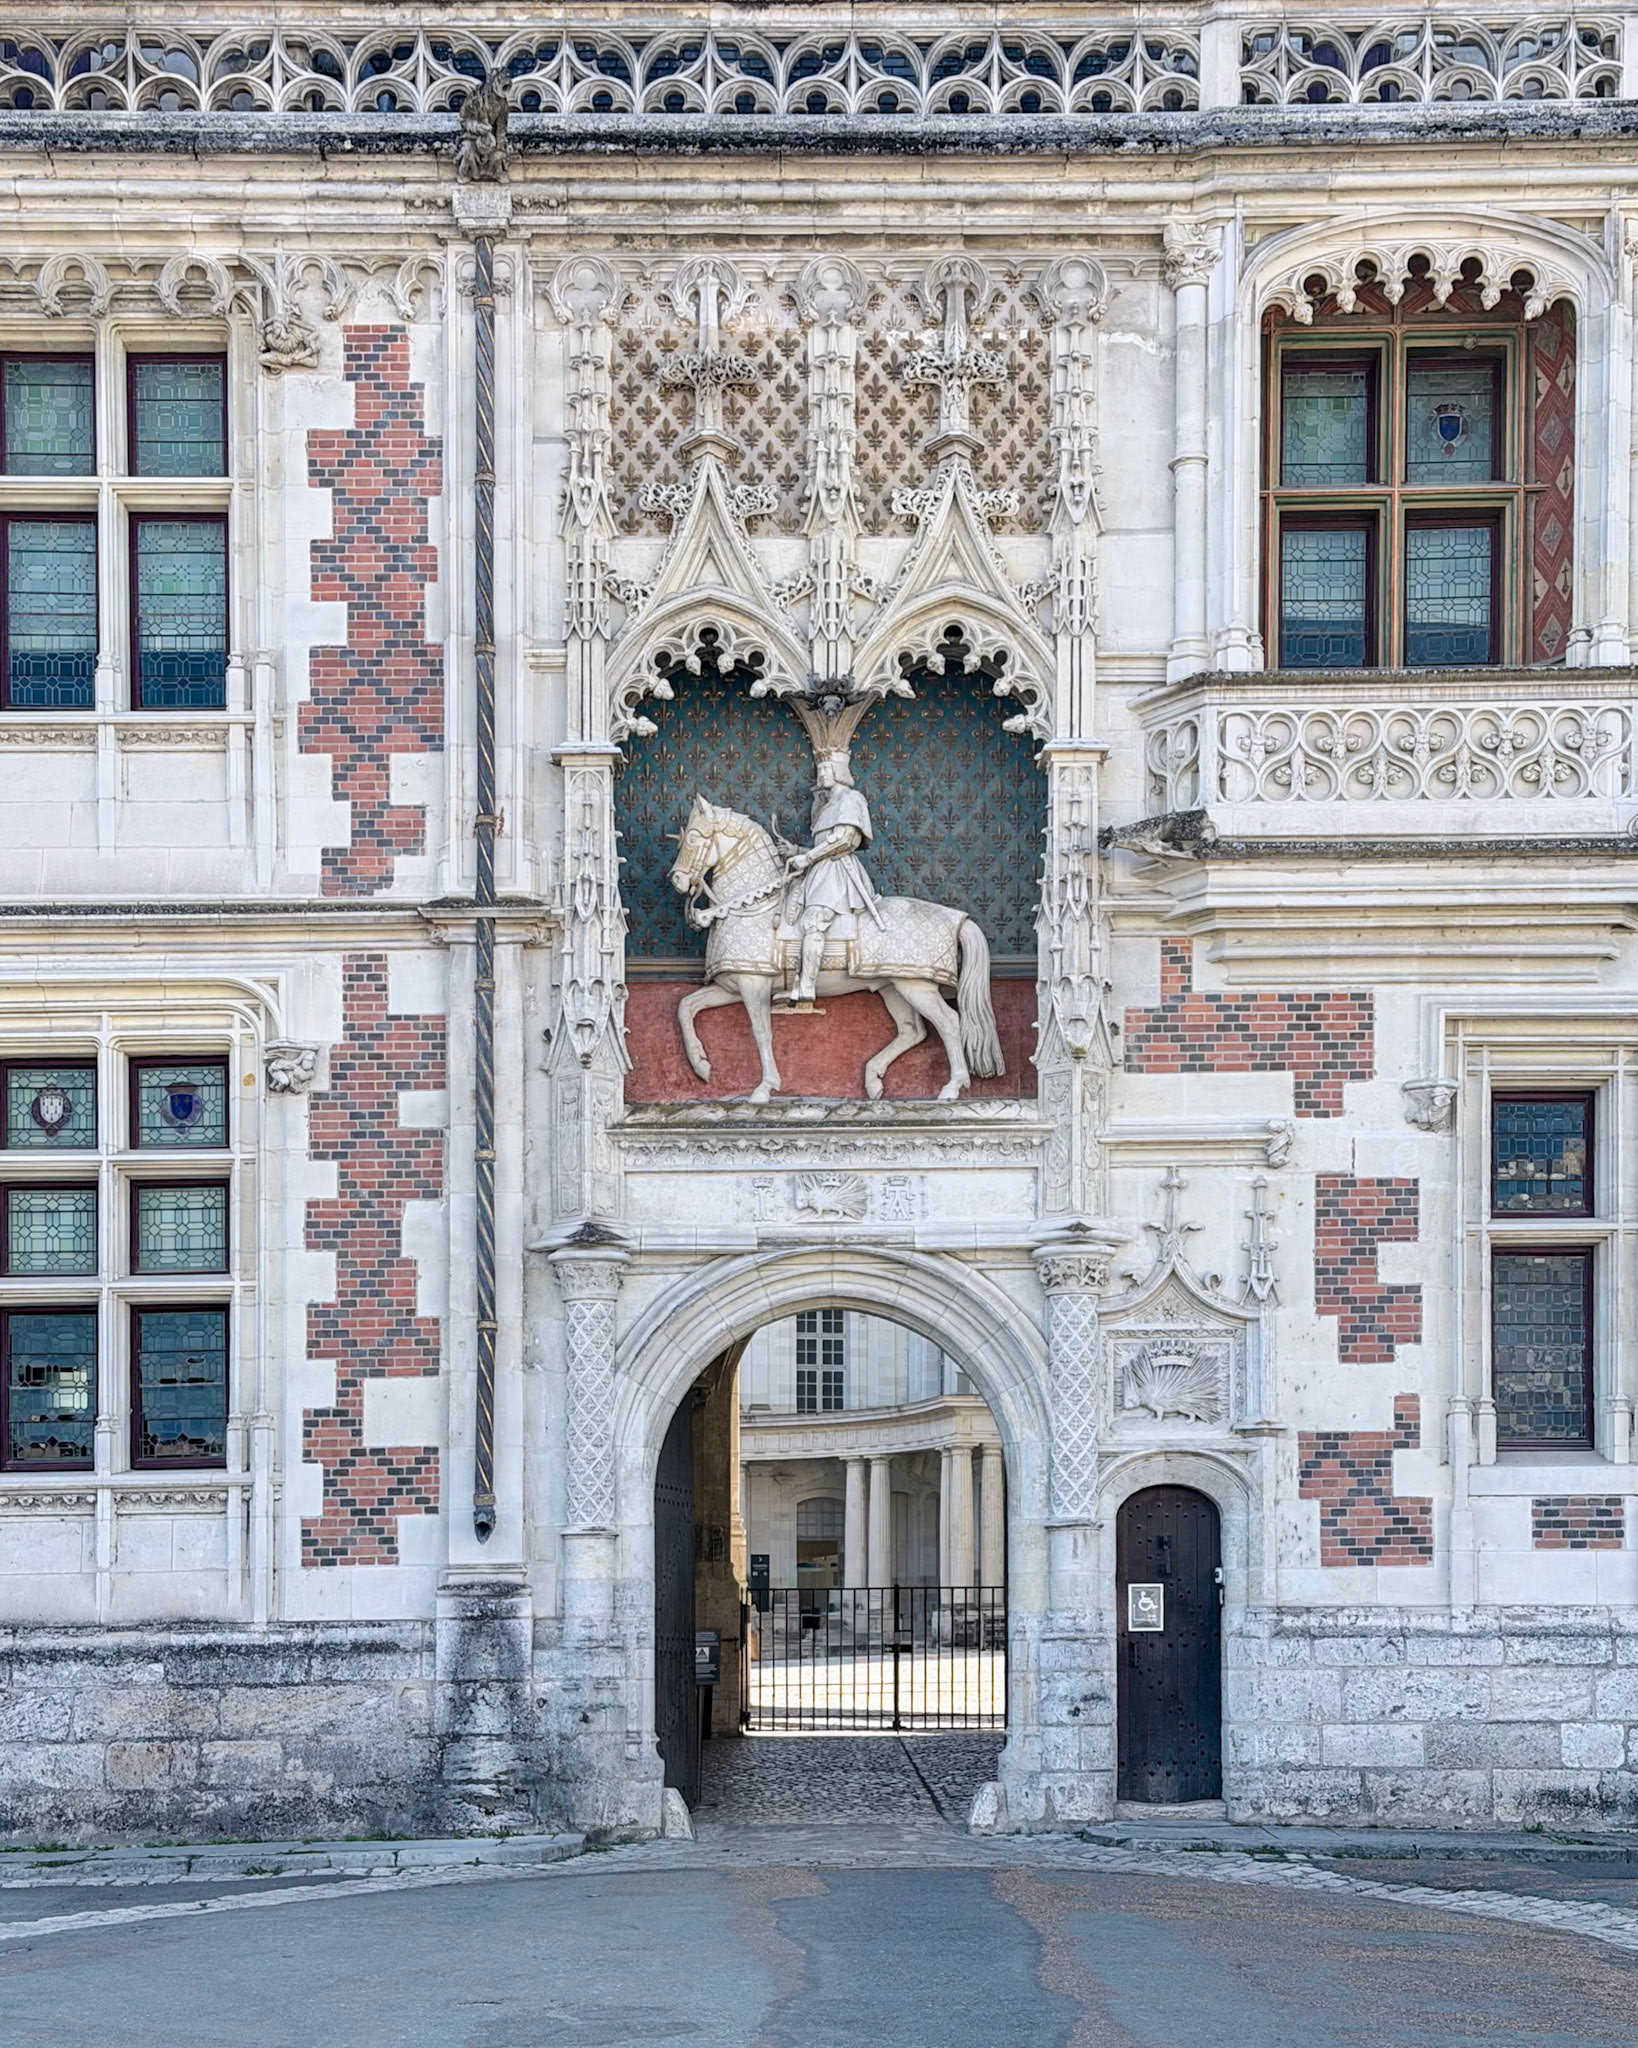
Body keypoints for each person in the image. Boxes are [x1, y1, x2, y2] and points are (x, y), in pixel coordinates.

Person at [772, 749, 883, 1004]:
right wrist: (797, 851)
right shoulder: (828, 804)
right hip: (820, 870)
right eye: (820, 770)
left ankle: (806, 988)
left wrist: (808, 858)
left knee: (814, 921)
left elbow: (845, 840)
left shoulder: (851, 799)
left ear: (839, 772)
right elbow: (824, 844)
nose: (821, 774)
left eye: (825, 770)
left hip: (837, 871)